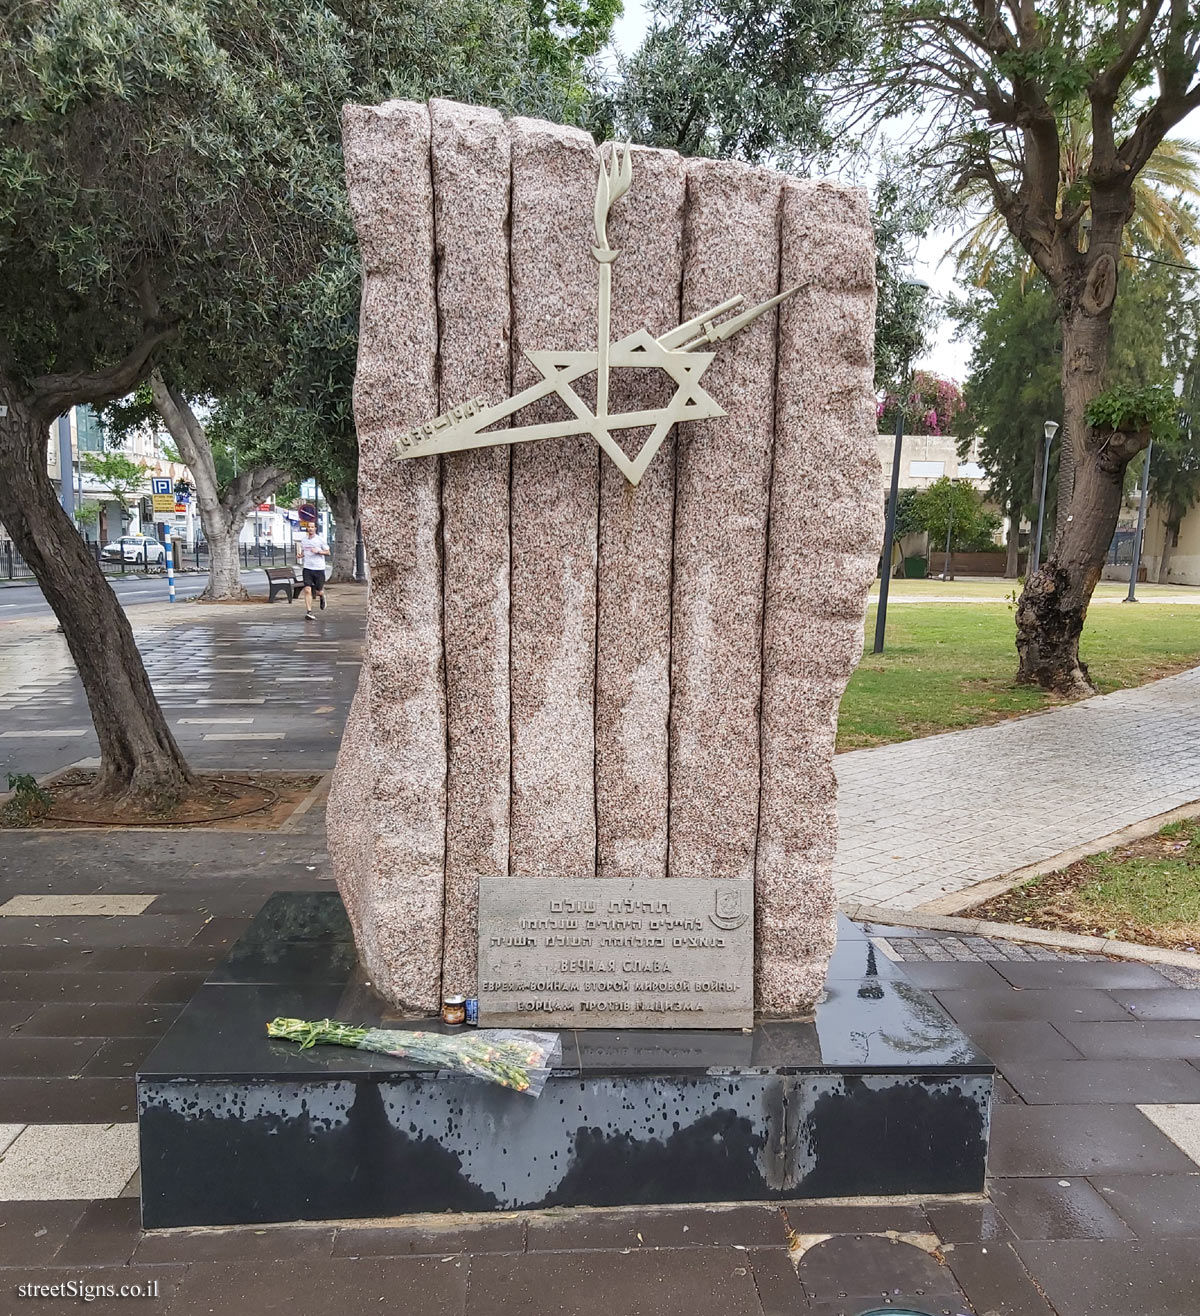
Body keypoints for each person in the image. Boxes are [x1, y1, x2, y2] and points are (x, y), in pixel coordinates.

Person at [296, 508, 329, 620]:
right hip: (307, 568)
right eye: (308, 527)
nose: (310, 529)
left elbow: (328, 552)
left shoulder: (320, 540)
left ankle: (322, 596)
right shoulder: (304, 540)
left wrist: (319, 551)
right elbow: (305, 551)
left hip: (319, 568)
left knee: (318, 591)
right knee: (307, 589)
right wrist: (301, 555)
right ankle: (309, 611)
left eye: (312, 527)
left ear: (315, 528)